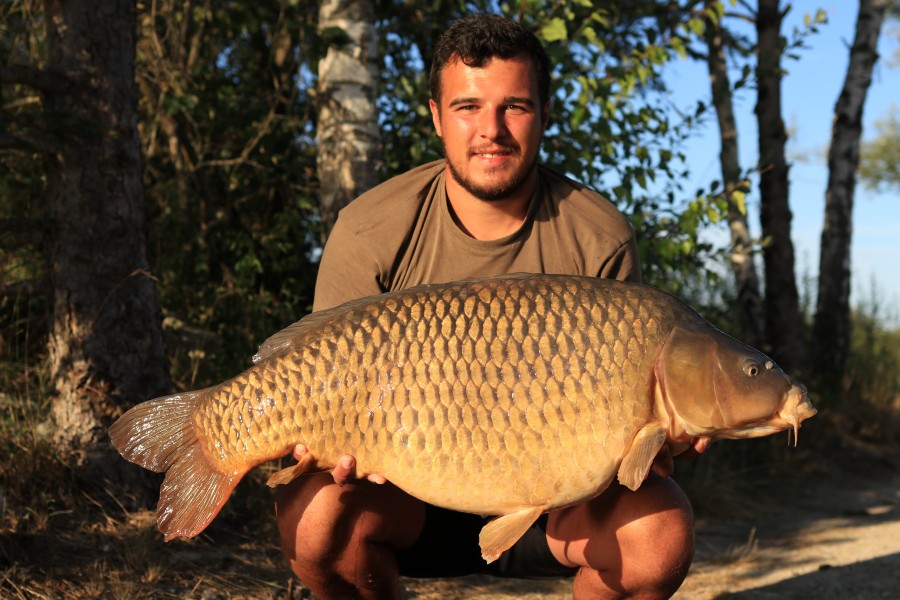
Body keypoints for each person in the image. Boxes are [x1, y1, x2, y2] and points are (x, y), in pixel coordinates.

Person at [275, 13, 703, 599]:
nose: (491, 130)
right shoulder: (370, 230)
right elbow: (319, 370)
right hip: (407, 496)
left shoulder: (597, 236)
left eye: (515, 107)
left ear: (544, 116)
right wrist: (325, 444)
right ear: (436, 116)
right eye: (468, 107)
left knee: (659, 535)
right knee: (316, 520)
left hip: (557, 509)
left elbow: (633, 448)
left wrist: (662, 437)